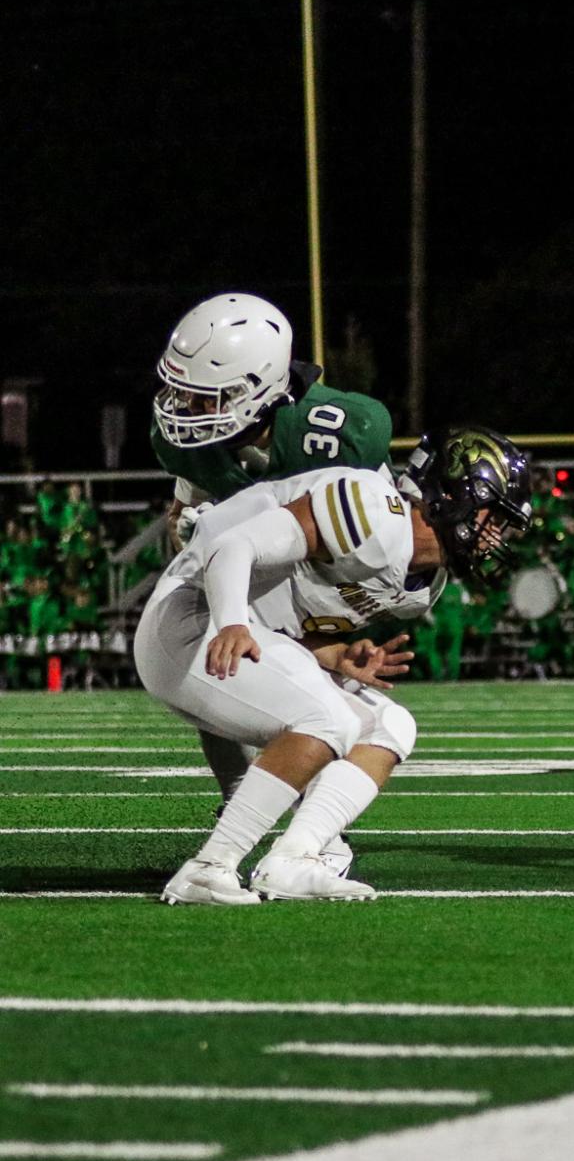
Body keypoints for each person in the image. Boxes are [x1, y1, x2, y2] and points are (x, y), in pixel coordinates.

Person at [141, 427, 531, 904]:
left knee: (391, 725)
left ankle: (295, 859)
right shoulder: (374, 510)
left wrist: (336, 655)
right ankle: (209, 867)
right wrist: (231, 623)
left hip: (238, 630)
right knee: (329, 719)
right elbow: (234, 547)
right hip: (191, 612)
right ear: (455, 495)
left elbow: (285, 616)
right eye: (494, 518)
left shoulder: (423, 585)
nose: (495, 538)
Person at [149, 292, 395, 822]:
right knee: (221, 653)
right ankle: (240, 794)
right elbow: (189, 501)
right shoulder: (186, 443)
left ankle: (316, 816)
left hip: (327, 565)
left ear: (260, 390)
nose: (184, 410)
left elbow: (362, 518)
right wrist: (190, 520)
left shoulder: (339, 432)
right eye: (181, 392)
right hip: (253, 564)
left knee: (321, 697)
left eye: (206, 398)